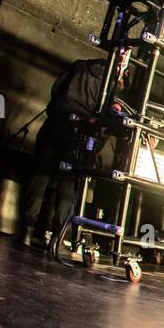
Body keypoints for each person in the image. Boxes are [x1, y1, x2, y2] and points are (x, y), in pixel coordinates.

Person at [20, 53, 125, 247]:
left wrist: (59, 115)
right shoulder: (110, 85)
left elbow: (56, 91)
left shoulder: (79, 65)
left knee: (39, 178)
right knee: (68, 187)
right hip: (77, 135)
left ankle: (26, 233)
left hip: (54, 127)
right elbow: (104, 122)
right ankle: (56, 238)